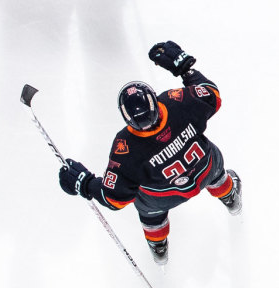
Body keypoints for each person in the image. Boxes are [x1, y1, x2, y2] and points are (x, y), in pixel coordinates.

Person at [57, 42, 242, 265]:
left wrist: (85, 184)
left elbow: (114, 199)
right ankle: (230, 197)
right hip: (205, 168)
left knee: (148, 210)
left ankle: (159, 246)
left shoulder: (125, 146)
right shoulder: (177, 102)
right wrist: (185, 69)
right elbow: (212, 95)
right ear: (154, 100)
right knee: (216, 169)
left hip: (163, 197)